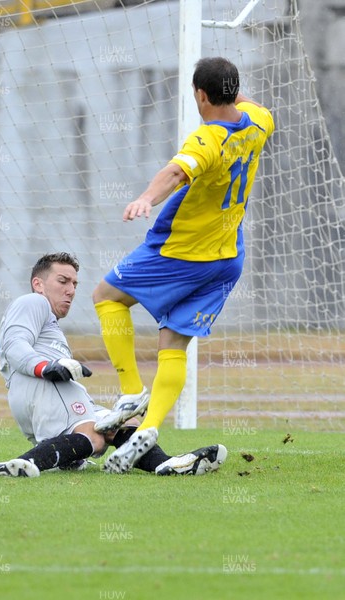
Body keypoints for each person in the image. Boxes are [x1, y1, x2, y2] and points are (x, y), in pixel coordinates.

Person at [92, 57, 275, 474]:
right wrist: (230, 91)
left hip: (181, 253)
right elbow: (245, 103)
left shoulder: (207, 138)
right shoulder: (261, 120)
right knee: (173, 342)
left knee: (106, 297)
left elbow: (175, 173)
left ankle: (129, 391)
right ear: (234, 91)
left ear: (200, 95)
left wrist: (145, 198)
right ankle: (148, 428)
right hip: (227, 259)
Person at [0, 252, 227, 477]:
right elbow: (14, 344)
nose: (71, 290)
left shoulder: (48, 320)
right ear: (38, 284)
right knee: (92, 435)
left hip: (47, 390)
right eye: (62, 281)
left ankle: (165, 465)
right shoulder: (33, 302)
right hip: (40, 385)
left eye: (74, 284)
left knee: (123, 425)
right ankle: (23, 465)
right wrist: (46, 367)